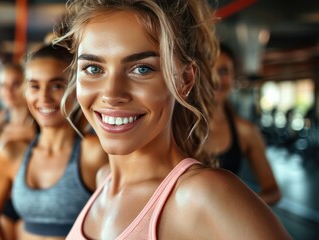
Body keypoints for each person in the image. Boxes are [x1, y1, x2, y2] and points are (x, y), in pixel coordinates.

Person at [53, 0, 291, 239]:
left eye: (142, 69)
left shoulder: (204, 194)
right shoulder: (103, 178)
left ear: (185, 80)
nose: (112, 95)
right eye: (93, 69)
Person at [0, 44, 108, 240]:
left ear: (76, 89)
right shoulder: (12, 153)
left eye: (56, 86)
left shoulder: (94, 153)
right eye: (35, 86)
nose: (44, 97)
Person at [204, 42, 281, 205]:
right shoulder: (176, 126)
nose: (216, 78)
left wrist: (237, 206)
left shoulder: (244, 131)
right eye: (208, 69)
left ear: (234, 77)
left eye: (223, 71)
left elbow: (273, 191)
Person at [0, 63, 35, 240]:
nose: (8, 91)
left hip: (29, 204)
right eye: (2, 85)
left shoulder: (39, 127)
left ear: (27, 86)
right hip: (1, 203)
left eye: (16, 84)